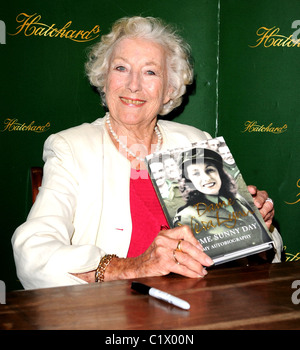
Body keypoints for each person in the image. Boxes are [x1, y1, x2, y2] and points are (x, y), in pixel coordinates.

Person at [12, 16, 282, 289]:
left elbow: (256, 256)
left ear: (169, 90)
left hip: (200, 304)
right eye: (121, 68)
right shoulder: (72, 147)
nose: (133, 85)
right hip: (112, 313)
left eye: (150, 72)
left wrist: (258, 226)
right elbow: (33, 254)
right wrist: (132, 267)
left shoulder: (195, 142)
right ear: (104, 81)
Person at [173, 148, 274, 259]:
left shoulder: (239, 200)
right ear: (189, 182)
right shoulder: (186, 216)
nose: (206, 177)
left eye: (210, 170)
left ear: (219, 173)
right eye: (196, 174)